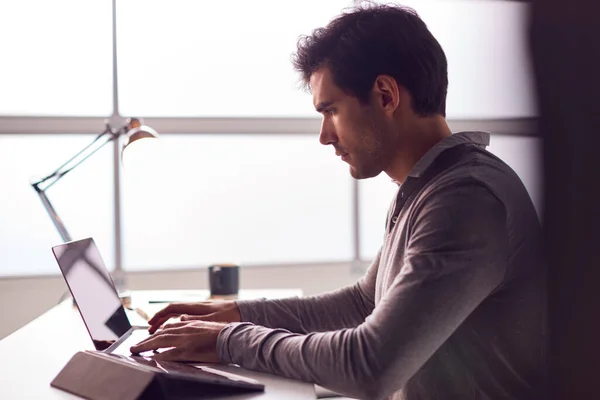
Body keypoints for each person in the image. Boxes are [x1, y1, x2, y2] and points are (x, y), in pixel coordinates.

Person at [131, 4, 546, 399]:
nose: (325, 136)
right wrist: (235, 314)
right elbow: (364, 302)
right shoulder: (427, 186)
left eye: (330, 110)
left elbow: (372, 366)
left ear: (385, 95)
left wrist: (228, 341)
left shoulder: (466, 199)